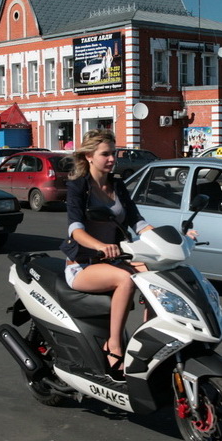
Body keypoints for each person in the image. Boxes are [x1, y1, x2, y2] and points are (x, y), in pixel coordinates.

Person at [61, 129, 152, 378]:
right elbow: (75, 229)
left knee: (156, 274)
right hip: (82, 264)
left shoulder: (117, 185)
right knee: (125, 279)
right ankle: (113, 345)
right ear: (89, 156)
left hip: (113, 260)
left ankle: (149, 339)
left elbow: (138, 221)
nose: (112, 159)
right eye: (106, 154)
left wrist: (172, 238)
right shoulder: (78, 187)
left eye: (114, 154)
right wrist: (100, 246)